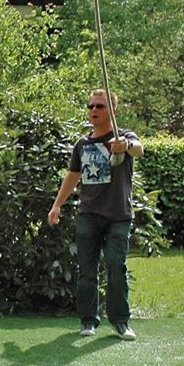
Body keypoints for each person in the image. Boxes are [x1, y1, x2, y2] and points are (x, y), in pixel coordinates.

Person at [47, 89, 143, 340]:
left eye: (100, 106)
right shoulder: (82, 144)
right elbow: (72, 177)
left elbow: (138, 149)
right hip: (88, 215)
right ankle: (88, 320)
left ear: (113, 110)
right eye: (90, 106)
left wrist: (127, 145)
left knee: (116, 266)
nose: (94, 110)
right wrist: (57, 205)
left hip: (119, 215)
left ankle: (121, 322)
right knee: (87, 270)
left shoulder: (124, 137)